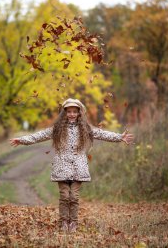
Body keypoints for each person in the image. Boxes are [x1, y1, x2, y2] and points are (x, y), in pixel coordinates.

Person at [9, 98, 134, 233]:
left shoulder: (85, 128)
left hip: (78, 168)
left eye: (75, 111)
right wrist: (21, 140)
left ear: (79, 113)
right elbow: (38, 136)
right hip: (61, 166)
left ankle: (73, 223)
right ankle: (63, 222)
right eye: (69, 111)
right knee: (64, 196)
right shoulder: (57, 129)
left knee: (73, 197)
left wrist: (120, 137)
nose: (72, 114)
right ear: (65, 113)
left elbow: (102, 134)